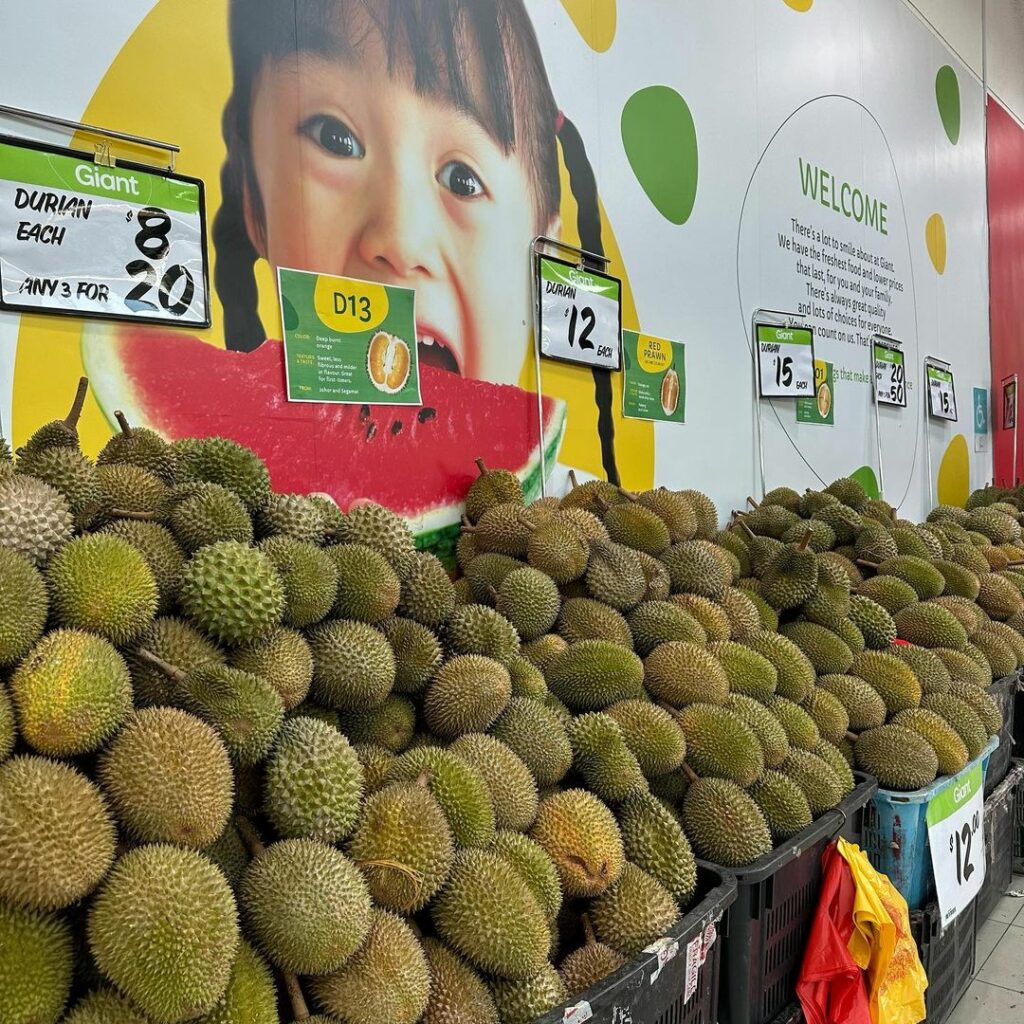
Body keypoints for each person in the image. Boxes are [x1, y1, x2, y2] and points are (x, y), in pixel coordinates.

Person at [213, 0, 622, 483]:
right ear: (253, 206)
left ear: (540, 252)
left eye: (463, 179)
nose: (401, 241)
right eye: (335, 138)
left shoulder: (571, 504)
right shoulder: (227, 490)